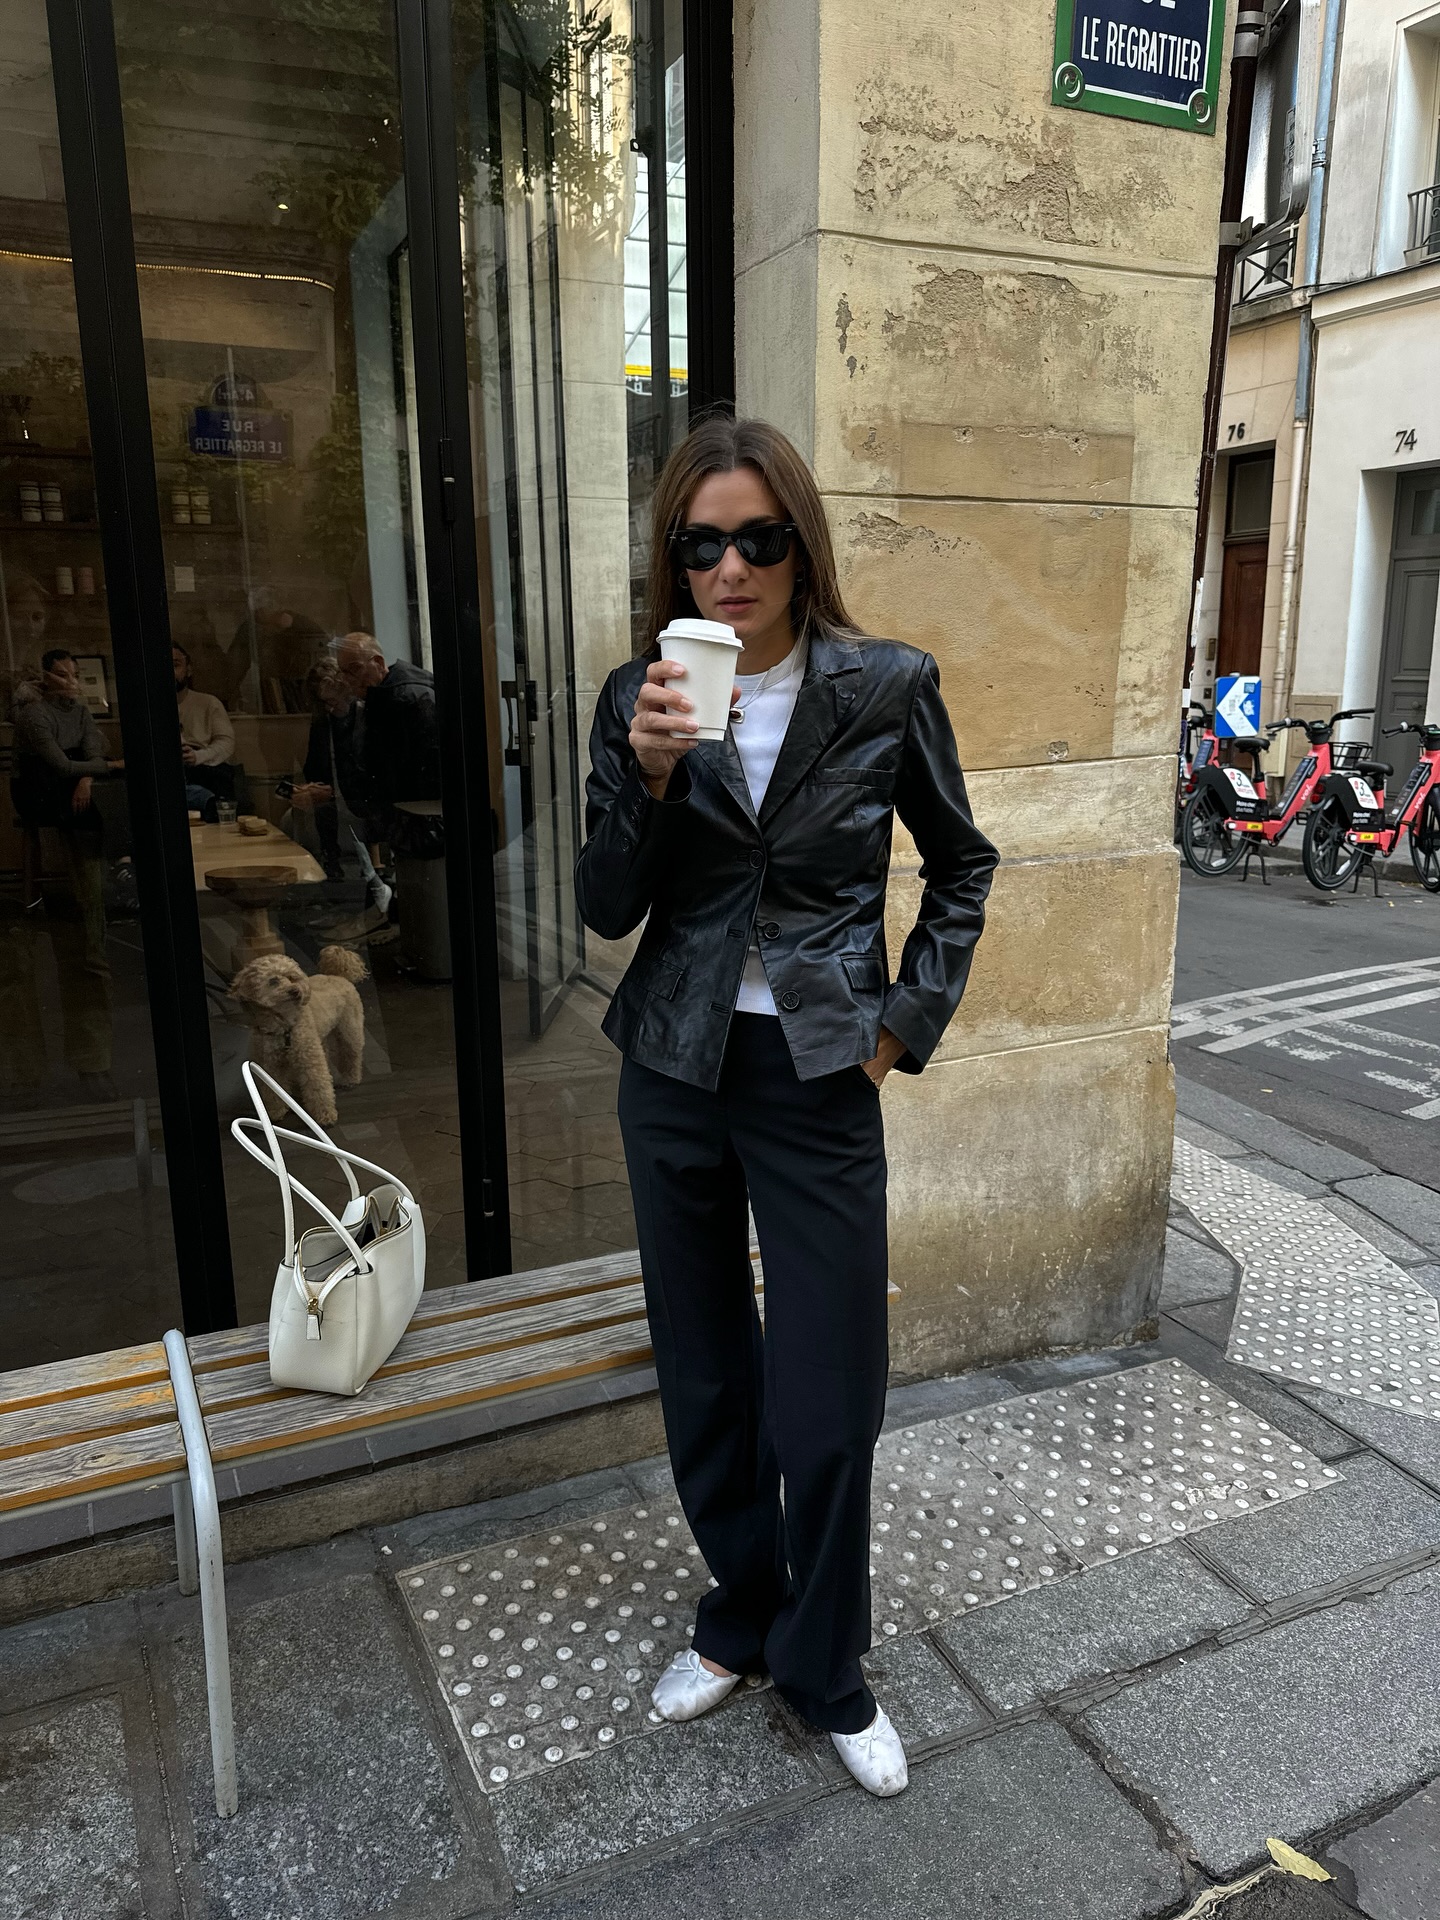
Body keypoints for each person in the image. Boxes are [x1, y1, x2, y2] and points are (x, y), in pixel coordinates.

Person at [575, 416, 998, 1798]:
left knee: (827, 1396)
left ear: (802, 546)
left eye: (759, 538)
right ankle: (740, 1617)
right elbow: (607, 906)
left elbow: (963, 865)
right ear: (675, 560)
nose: (732, 568)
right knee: (705, 1373)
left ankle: (826, 1666)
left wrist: (898, 1029)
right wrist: (646, 778)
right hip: (674, 1069)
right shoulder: (638, 698)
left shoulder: (885, 685)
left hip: (820, 1074)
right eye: (702, 544)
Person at [10, 647, 123, 1096]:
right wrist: (104, 768)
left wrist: (88, 775)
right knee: (20, 962)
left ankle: (92, 1061)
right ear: (45, 678)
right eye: (62, 674)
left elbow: (90, 750)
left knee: (88, 945)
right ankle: (24, 1073)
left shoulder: (78, 711)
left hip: (76, 809)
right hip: (43, 809)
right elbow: (58, 764)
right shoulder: (33, 715)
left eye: (75, 674)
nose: (72, 682)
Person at [336, 632, 444, 971]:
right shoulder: (390, 694)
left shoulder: (406, 697)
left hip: (421, 811)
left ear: (378, 663)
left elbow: (422, 765)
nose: (348, 679)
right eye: (344, 672)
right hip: (410, 809)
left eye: (354, 669)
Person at [173, 644, 236, 819]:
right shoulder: (149, 709)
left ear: (188, 669)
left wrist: (197, 756)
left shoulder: (208, 703)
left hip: (205, 769)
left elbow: (226, 743)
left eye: (176, 665)